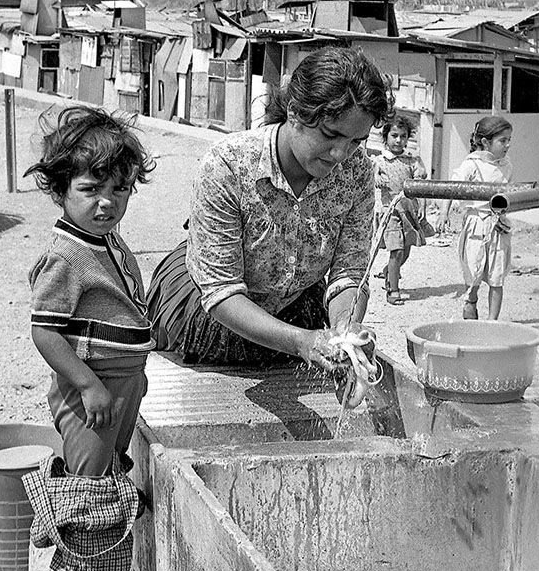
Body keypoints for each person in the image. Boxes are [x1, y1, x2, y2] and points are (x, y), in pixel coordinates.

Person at [146, 46, 394, 373]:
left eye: (355, 142)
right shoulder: (228, 165)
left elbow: (349, 273)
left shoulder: (357, 173)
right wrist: (300, 341)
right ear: (295, 112)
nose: (340, 154)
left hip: (295, 307)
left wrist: (344, 330)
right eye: (331, 135)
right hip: (212, 308)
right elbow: (221, 290)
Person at [21, 106, 156, 571]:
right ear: (60, 191)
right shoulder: (65, 255)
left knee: (106, 486)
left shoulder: (107, 242)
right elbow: (45, 333)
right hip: (92, 397)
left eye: (120, 190)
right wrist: (89, 385)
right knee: (88, 499)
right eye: (90, 189)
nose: (107, 202)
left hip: (117, 390)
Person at [437, 116, 514, 321]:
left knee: (497, 275)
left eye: (509, 140)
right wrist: (444, 212)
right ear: (485, 142)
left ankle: (492, 322)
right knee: (473, 271)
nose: (507, 145)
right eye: (502, 140)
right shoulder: (472, 164)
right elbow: (453, 186)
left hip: (498, 225)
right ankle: (470, 304)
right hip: (477, 224)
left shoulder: (507, 165)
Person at [373, 115, 428, 305]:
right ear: (386, 137)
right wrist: (377, 178)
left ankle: (389, 270)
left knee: (406, 249)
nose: (398, 140)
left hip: (408, 211)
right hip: (391, 212)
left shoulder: (412, 161)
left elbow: (421, 184)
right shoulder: (380, 161)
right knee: (396, 250)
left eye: (403, 136)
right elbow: (373, 174)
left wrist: (422, 205)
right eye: (394, 135)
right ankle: (393, 289)